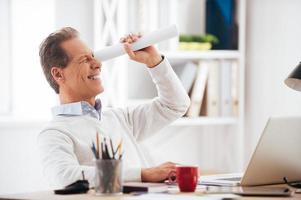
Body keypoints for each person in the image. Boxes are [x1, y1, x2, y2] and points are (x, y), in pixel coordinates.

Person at [38, 27, 190, 188]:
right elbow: (64, 176)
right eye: (84, 60)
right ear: (58, 74)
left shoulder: (119, 118)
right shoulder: (54, 133)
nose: (97, 64)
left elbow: (176, 105)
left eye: (94, 57)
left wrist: (154, 61)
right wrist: (142, 174)